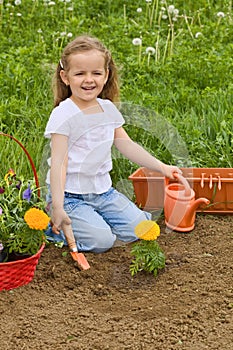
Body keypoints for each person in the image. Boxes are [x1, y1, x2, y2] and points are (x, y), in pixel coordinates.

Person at [44, 34, 181, 253]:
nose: (89, 80)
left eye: (96, 73)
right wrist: (59, 206)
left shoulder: (107, 109)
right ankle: (51, 225)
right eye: (80, 73)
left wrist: (162, 167)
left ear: (106, 75)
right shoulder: (64, 114)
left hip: (103, 193)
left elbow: (126, 145)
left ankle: (93, 221)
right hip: (69, 196)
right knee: (102, 241)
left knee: (141, 229)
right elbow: (59, 163)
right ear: (65, 77)